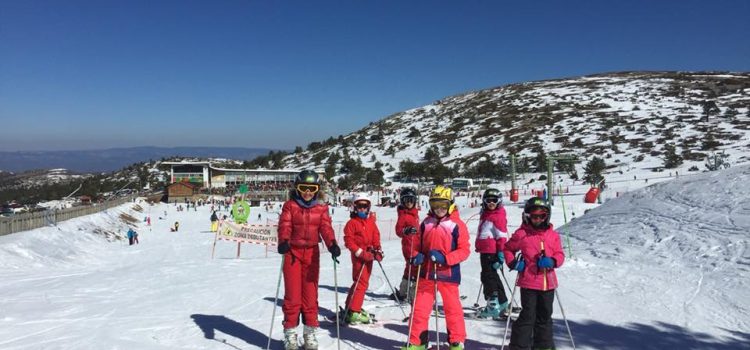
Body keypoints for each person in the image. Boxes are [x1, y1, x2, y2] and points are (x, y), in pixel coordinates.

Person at [277, 170, 341, 350]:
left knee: (310, 297)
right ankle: (290, 334)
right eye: (303, 188)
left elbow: (326, 228)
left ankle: (309, 334)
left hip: (312, 255)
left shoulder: (321, 208)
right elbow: (285, 225)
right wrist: (284, 241)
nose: (307, 192)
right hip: (293, 254)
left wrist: (332, 244)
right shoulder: (290, 206)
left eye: (311, 188)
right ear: (297, 188)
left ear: (317, 190)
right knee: (293, 297)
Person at [403, 185, 470, 350]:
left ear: (450, 204)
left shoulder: (456, 224)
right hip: (426, 274)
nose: (439, 209)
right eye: (435, 205)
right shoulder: (426, 223)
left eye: (443, 205)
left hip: (448, 275)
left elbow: (464, 250)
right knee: (419, 309)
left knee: (452, 310)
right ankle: (417, 341)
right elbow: (417, 244)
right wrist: (416, 255)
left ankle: (456, 341)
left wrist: (446, 258)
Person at [503, 197, 565, 350]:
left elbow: (560, 254)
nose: (537, 219)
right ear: (527, 216)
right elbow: (508, 249)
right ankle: (519, 346)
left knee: (545, 316)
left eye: (541, 216)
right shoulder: (522, 234)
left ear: (547, 216)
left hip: (548, 283)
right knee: (528, 316)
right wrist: (513, 263)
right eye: (533, 216)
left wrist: (553, 261)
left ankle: (542, 346)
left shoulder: (553, 235)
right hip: (529, 282)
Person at [342, 193, 382, 324]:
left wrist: (378, 249)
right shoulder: (352, 223)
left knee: (360, 282)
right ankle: (354, 311)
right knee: (361, 282)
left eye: (365, 206)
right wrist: (360, 252)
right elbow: (348, 241)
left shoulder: (371, 222)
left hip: (369, 255)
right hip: (359, 257)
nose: (362, 209)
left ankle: (350, 307)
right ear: (354, 207)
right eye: (359, 206)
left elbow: (376, 235)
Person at [474, 188, 509, 319]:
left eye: (494, 201)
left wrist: (501, 253)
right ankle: (502, 301)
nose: (491, 203)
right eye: (488, 200)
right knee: (493, 276)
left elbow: (502, 237)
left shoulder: (497, 216)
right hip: (486, 250)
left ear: (499, 201)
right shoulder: (487, 214)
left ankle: (493, 305)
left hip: (491, 251)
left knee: (488, 277)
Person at [393, 187, 420, 303]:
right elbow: (398, 230)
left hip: (416, 244)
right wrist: (406, 230)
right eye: (406, 200)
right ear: (402, 201)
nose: (409, 203)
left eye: (411, 200)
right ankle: (413, 294)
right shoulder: (403, 215)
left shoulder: (414, 214)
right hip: (409, 246)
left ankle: (403, 291)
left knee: (409, 267)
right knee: (415, 267)